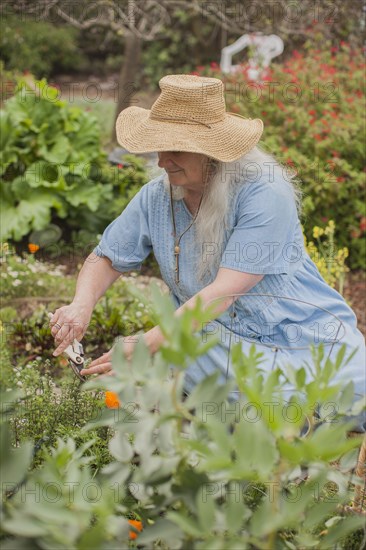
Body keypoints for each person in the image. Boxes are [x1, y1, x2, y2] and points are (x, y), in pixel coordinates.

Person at [50, 74, 365, 428]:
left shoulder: (264, 194)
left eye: (176, 149)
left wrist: (148, 344)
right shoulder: (158, 197)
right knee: (202, 365)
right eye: (159, 147)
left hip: (295, 336)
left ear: (212, 152)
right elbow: (106, 257)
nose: (162, 160)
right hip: (208, 336)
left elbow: (223, 293)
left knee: (350, 396)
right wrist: (81, 304)